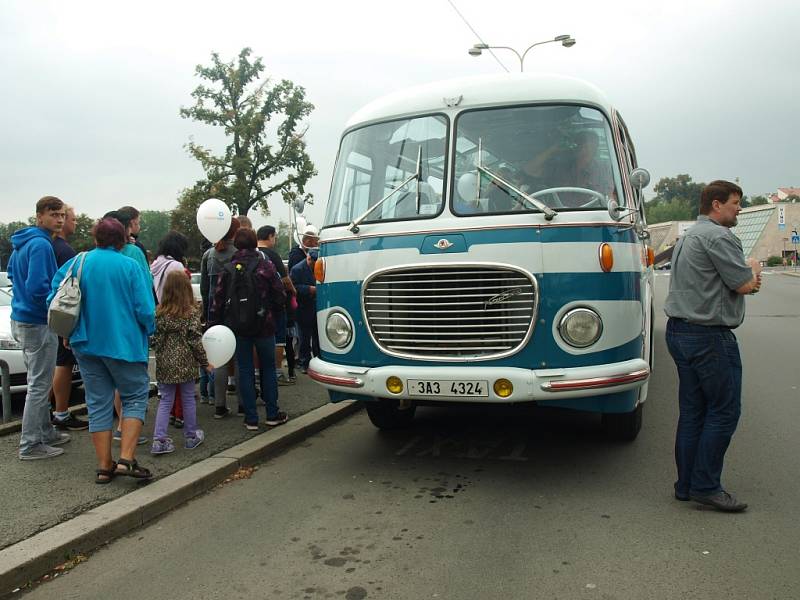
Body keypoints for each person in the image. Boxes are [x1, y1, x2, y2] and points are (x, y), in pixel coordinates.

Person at [664, 180, 762, 513]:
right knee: (723, 411)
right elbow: (745, 284)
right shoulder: (719, 237)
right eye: (736, 203)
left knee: (693, 412)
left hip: (680, 332)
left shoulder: (690, 235)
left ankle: (686, 485)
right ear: (717, 205)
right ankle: (706, 486)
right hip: (709, 336)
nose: (739, 209)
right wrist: (756, 269)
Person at [50, 218, 156, 482]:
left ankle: (104, 465)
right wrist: (151, 330)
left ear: (96, 238)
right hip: (125, 344)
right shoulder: (130, 266)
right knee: (133, 397)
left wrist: (69, 331)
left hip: (85, 343)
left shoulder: (77, 263)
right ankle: (127, 460)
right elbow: (145, 310)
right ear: (121, 240)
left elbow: (55, 296)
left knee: (97, 403)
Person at [8, 196, 70, 459]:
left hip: (21, 318)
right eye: (54, 214)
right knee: (39, 384)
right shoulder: (41, 245)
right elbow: (38, 288)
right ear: (39, 216)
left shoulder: (22, 243)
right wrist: (55, 304)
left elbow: (11, 274)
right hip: (36, 321)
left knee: (38, 380)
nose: (59, 219)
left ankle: (44, 432)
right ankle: (31, 444)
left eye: (62, 215)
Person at [209, 228, 287, 430]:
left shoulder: (228, 269)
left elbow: (217, 300)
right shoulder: (266, 266)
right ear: (254, 242)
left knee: (244, 369)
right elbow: (280, 295)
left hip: (237, 327)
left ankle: (250, 417)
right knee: (268, 368)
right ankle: (272, 413)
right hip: (264, 325)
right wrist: (274, 312)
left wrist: (214, 324)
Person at [150, 271, 210, 454]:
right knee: (188, 399)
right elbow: (195, 341)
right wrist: (204, 362)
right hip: (186, 363)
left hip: (165, 363)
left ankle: (159, 440)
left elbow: (154, 340)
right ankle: (191, 436)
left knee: (165, 400)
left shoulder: (159, 313)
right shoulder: (191, 314)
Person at [104, 210, 151, 444]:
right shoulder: (134, 253)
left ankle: (119, 425)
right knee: (134, 387)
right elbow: (145, 290)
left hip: (104, 330)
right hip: (131, 327)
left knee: (111, 385)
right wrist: (151, 324)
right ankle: (126, 431)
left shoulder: (89, 257)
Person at [50, 204, 89, 431]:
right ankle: (62, 413)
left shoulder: (49, 246)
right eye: (70, 218)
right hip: (64, 315)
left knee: (56, 363)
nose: (72, 222)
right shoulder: (65, 251)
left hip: (53, 314)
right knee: (63, 363)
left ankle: (53, 410)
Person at [200, 217, 240, 417]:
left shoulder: (209, 255)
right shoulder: (239, 255)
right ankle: (243, 403)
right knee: (241, 358)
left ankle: (219, 405)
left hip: (215, 314)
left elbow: (204, 289)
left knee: (219, 359)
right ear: (234, 232)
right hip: (238, 314)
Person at [150, 230, 191, 427]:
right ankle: (181, 414)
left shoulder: (156, 264)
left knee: (166, 371)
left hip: (161, 311)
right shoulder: (175, 266)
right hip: (178, 313)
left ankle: (170, 414)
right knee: (182, 372)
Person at [257, 225, 297, 385]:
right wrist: (294, 291)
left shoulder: (253, 254)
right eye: (274, 237)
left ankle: (259, 372)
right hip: (275, 303)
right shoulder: (272, 255)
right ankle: (278, 373)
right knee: (279, 338)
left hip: (258, 304)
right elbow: (286, 280)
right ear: (270, 236)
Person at [290, 247, 320, 374]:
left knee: (318, 337)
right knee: (304, 338)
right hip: (303, 308)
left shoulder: (320, 267)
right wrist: (309, 289)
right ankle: (304, 363)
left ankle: (319, 361)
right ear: (308, 258)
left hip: (317, 308)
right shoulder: (297, 269)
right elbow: (293, 288)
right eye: (310, 260)